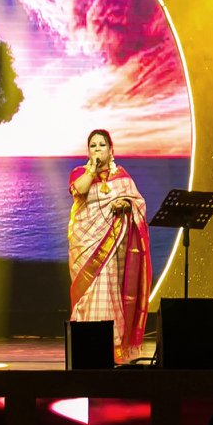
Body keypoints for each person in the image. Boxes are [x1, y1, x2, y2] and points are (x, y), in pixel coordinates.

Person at [68, 129, 153, 362]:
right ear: (88, 151)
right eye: (93, 146)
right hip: (86, 245)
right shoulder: (79, 173)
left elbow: (139, 203)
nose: (97, 149)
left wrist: (125, 203)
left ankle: (110, 347)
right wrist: (92, 170)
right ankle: (85, 349)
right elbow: (80, 190)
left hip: (112, 247)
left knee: (107, 287)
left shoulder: (122, 177)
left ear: (111, 149)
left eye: (102, 145)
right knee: (86, 294)